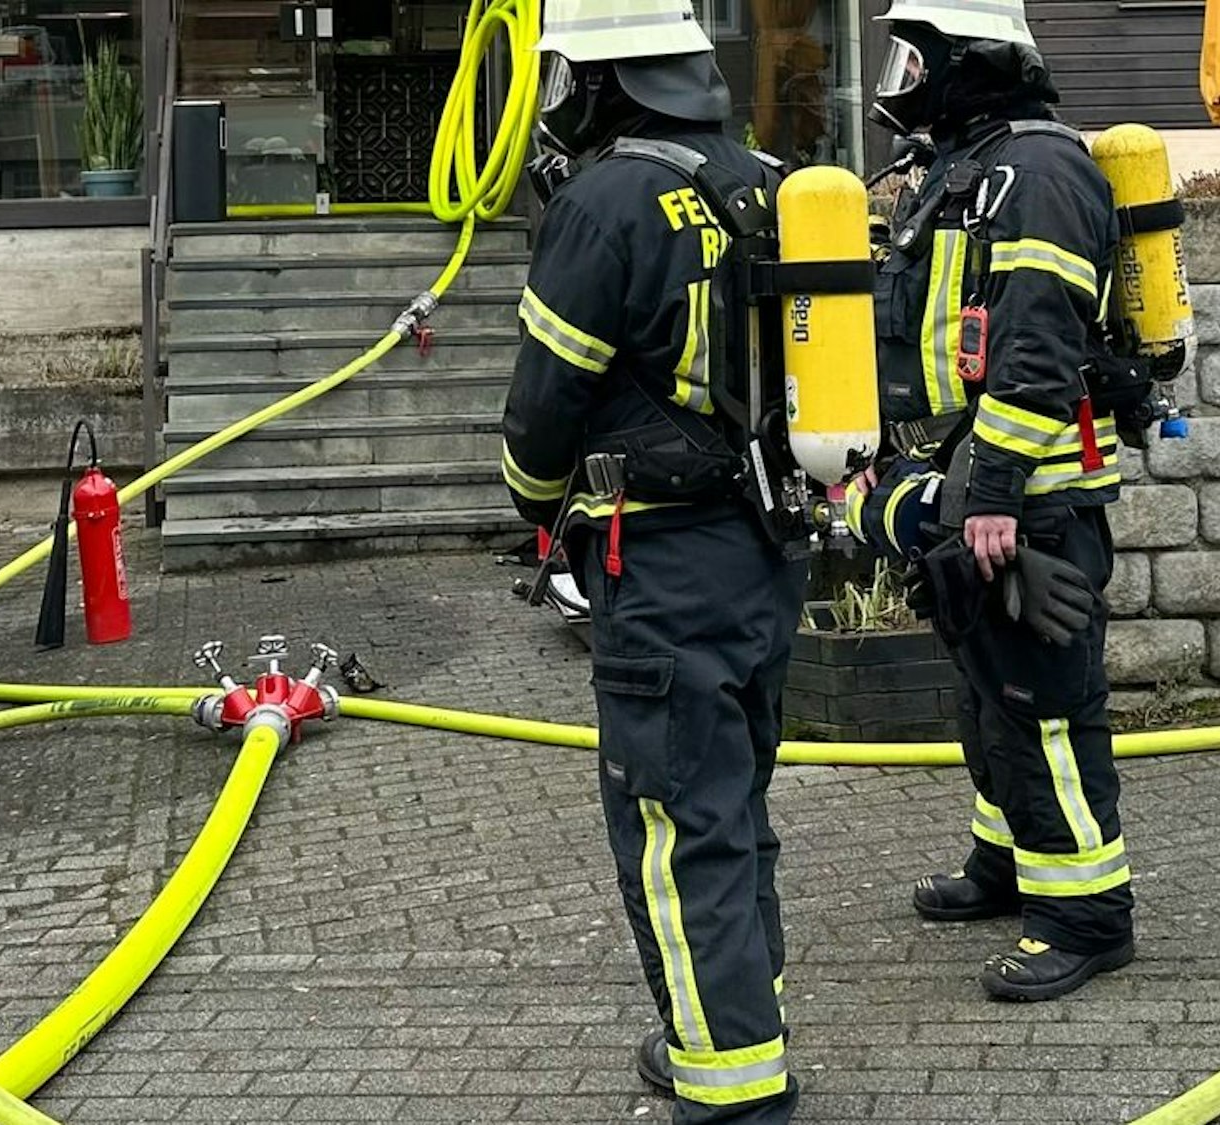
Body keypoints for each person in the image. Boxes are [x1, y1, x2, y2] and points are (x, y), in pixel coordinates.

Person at [499, 1, 803, 1119]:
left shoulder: (606, 199)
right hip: (766, 546)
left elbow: (544, 405)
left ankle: (729, 1082)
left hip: (664, 558)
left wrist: (537, 510)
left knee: (676, 823)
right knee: (734, 805)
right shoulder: (768, 180)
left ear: (599, 80)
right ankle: (743, 1020)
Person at [847, 0, 1137, 1003]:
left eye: (913, 59)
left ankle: (1085, 916)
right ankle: (1007, 864)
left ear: (968, 61)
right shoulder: (964, 169)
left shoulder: (1040, 171)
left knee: (1041, 710)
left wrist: (995, 491)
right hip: (971, 485)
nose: (901, 80)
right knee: (988, 698)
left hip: (1029, 499)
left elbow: (1038, 342)